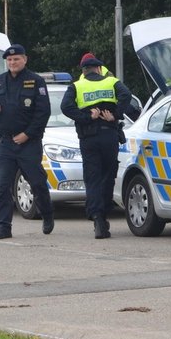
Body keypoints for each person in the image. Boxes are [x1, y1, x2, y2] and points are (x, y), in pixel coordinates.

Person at [0, 44, 54, 240]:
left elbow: (43, 113)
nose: (12, 62)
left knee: (37, 182)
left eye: (16, 59)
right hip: (5, 143)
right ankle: (3, 226)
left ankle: (47, 214)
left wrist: (27, 134)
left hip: (28, 143)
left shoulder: (36, 81)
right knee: (2, 185)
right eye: (9, 60)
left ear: (25, 59)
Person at [61, 53, 134, 239]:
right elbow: (127, 96)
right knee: (108, 176)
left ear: (83, 71)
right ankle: (104, 214)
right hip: (108, 135)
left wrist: (86, 117)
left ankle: (97, 218)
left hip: (88, 138)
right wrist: (115, 114)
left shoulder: (77, 86)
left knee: (92, 178)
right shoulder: (111, 82)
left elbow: (65, 107)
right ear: (99, 68)